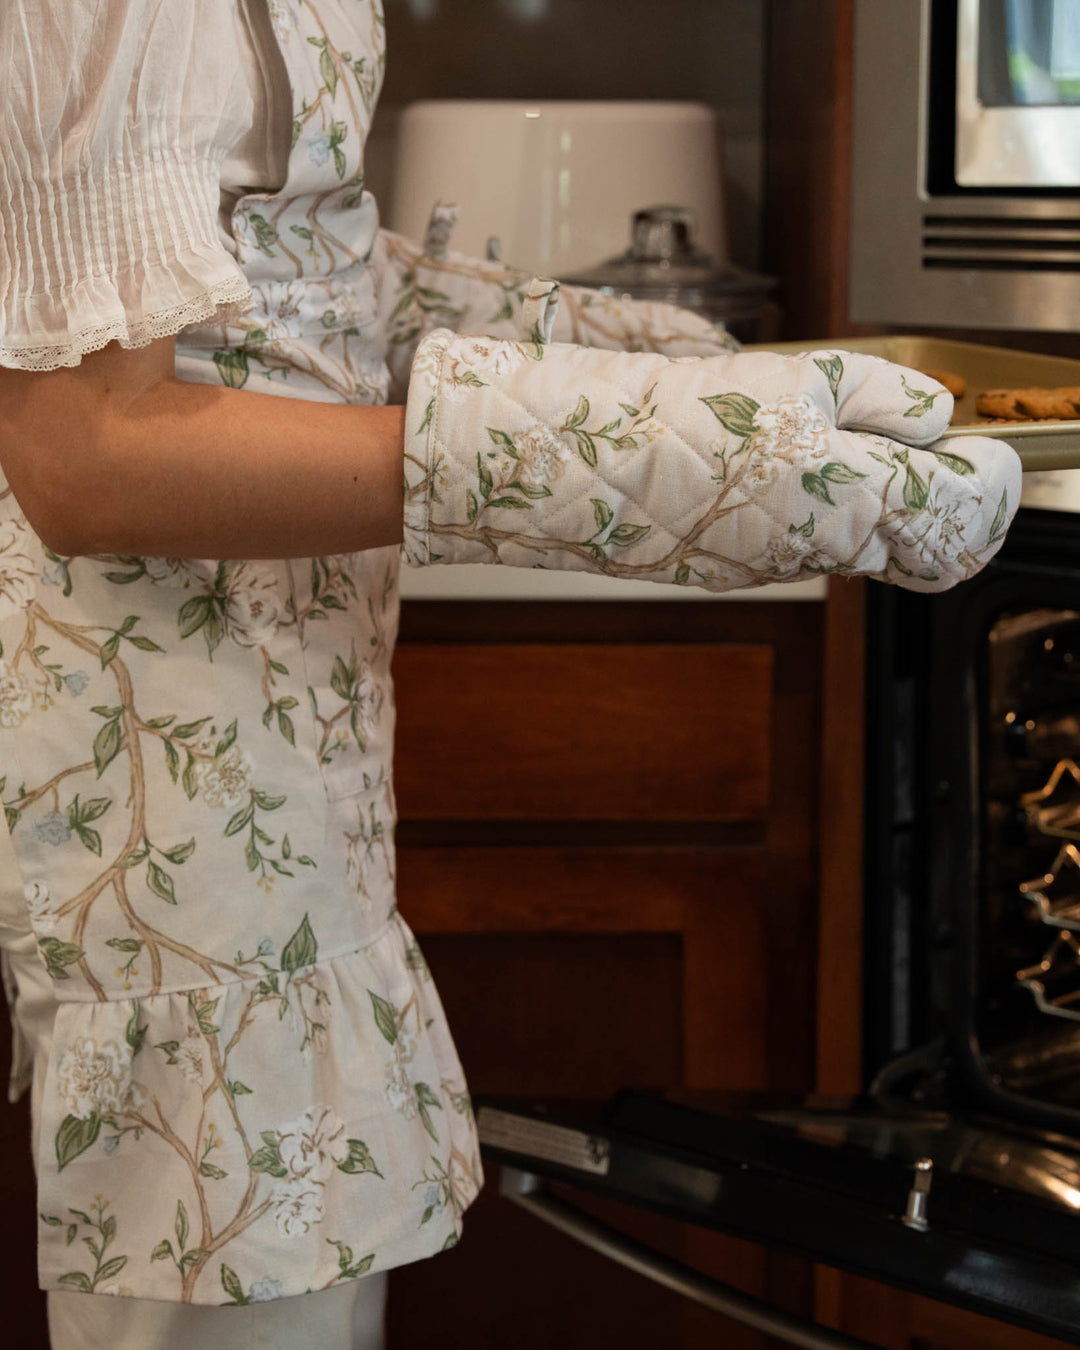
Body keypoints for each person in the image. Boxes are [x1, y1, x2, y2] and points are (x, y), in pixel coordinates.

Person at [0, 2, 1020, 1348]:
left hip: (289, 760)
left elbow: (284, 279)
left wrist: (693, 377)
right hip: (173, 803)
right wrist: (637, 468)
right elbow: (90, 452)